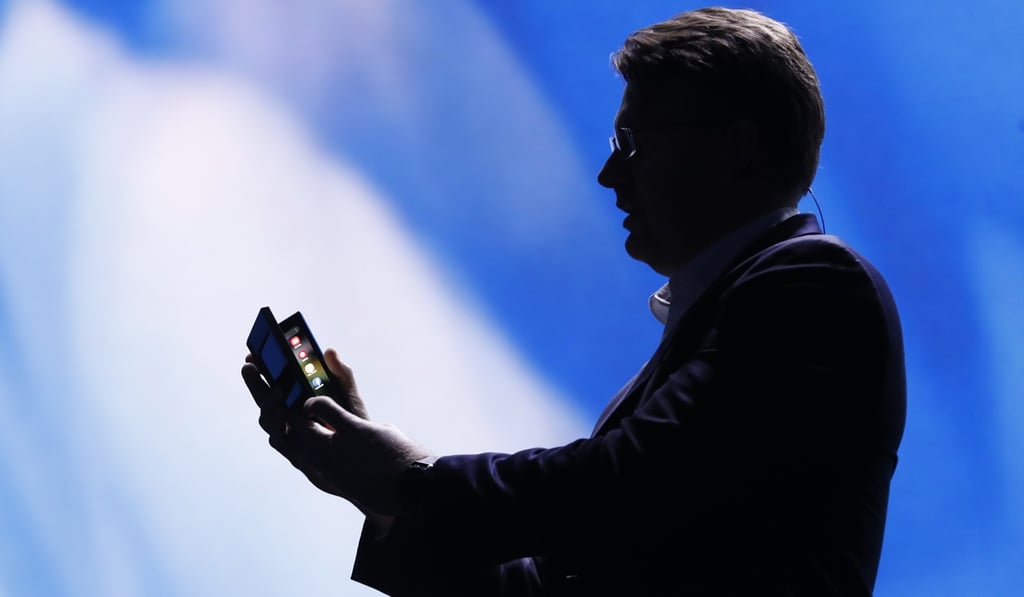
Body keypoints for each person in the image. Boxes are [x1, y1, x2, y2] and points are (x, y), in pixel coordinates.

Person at [242, 7, 906, 596]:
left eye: (633, 144)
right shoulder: (754, 310)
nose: (609, 175)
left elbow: (623, 488)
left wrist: (410, 481)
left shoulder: (816, 283)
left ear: (737, 147)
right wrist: (375, 488)